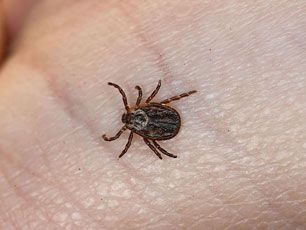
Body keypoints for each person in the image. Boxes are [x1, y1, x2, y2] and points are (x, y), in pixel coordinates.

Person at [0, 1, 305, 229]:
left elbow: (135, 133)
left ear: (135, 113)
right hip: (166, 125)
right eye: (132, 117)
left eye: (131, 114)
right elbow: (154, 100)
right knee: (166, 99)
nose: (130, 118)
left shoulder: (138, 126)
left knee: (165, 102)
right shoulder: (141, 111)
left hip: (165, 127)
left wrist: (129, 140)